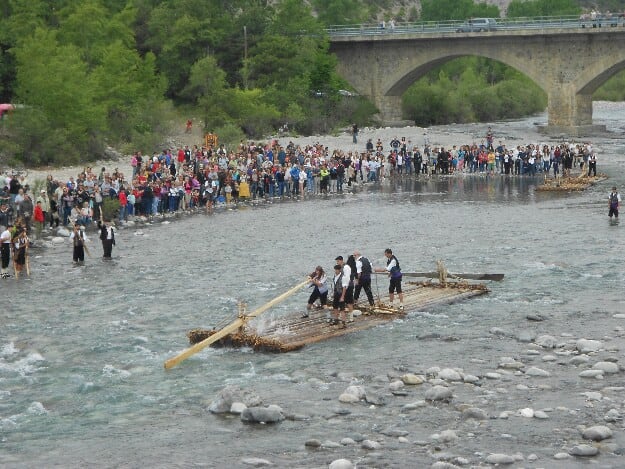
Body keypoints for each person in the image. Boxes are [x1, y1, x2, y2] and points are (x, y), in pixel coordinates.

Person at [335, 255, 355, 322]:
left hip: (348, 286)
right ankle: (342, 316)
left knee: (349, 302)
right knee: (342, 301)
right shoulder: (341, 267)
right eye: (336, 261)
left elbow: (347, 278)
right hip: (343, 286)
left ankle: (351, 318)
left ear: (341, 260)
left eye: (338, 261)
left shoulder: (346, 267)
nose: (337, 263)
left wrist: (345, 287)